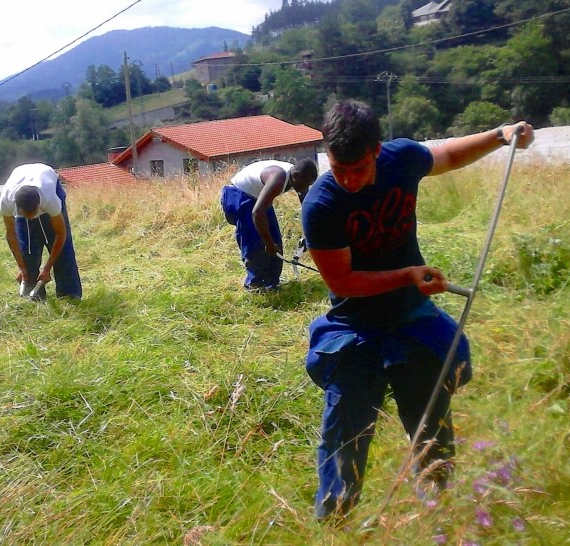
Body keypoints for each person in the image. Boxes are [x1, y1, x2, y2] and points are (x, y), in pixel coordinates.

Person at [301, 99, 534, 519]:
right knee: (345, 431)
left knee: (432, 422)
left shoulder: (402, 158)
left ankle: (439, 513)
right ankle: (336, 519)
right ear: (327, 155)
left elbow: (447, 154)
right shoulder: (320, 205)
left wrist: (501, 136)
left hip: (412, 315)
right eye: (339, 170)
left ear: (376, 150)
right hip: (355, 324)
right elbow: (343, 282)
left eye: (359, 169)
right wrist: (407, 274)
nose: (350, 181)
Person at [220, 158, 319, 290]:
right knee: (256, 243)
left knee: (276, 241)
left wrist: (310, 235)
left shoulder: (299, 177)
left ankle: (271, 283)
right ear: (295, 176)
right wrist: (268, 243)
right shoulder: (278, 179)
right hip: (239, 195)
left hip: (257, 198)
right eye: (305, 184)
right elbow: (257, 213)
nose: (306, 188)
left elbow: (307, 209)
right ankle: (255, 285)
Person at [0, 163, 82, 301]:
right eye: (27, 216)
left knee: (63, 253)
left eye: (33, 214)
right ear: (17, 208)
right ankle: (35, 298)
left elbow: (61, 234)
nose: (31, 219)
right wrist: (22, 268)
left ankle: (69, 296)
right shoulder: (6, 201)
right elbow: (11, 235)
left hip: (48, 179)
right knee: (27, 250)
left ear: (39, 205)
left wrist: (47, 268)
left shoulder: (50, 200)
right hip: (20, 178)